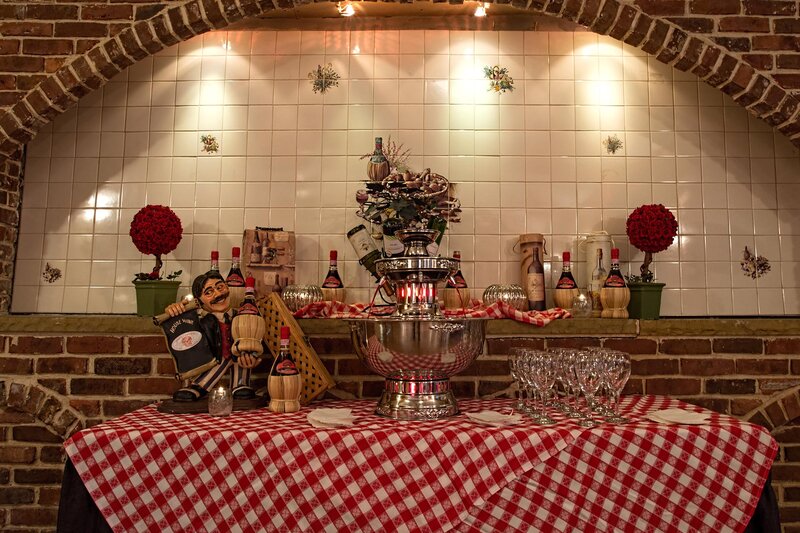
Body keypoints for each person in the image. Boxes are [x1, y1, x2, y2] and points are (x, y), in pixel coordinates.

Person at [165, 271, 260, 402]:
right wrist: (175, 309)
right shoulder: (201, 318)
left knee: (242, 354)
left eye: (220, 287)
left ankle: (240, 383)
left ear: (227, 287)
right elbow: (181, 321)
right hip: (216, 355)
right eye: (208, 292)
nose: (218, 294)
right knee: (216, 362)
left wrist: (253, 355)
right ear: (199, 300)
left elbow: (255, 335)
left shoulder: (242, 314)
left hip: (239, 354)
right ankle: (200, 386)